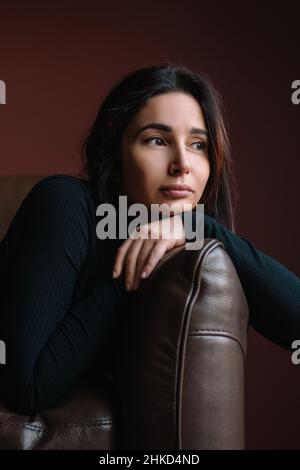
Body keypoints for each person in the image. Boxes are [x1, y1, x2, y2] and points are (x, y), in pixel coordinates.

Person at [0, 64, 299, 416]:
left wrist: (199, 227)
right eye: (157, 140)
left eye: (198, 144)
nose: (182, 164)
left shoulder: (194, 244)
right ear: (116, 153)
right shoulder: (64, 203)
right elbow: (27, 388)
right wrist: (133, 272)